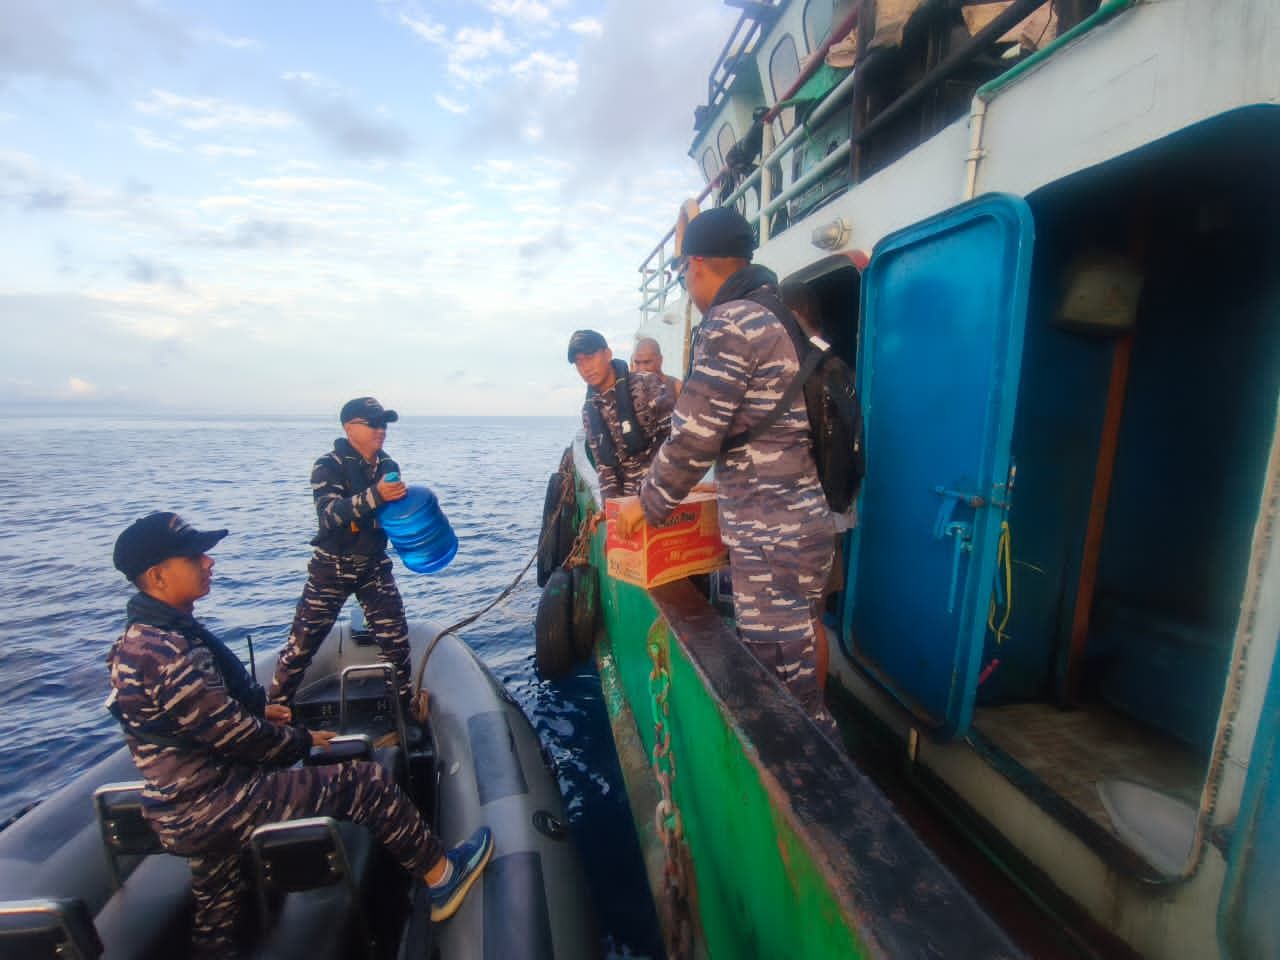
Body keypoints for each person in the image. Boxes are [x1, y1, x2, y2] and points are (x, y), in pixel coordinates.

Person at [107, 511, 493, 959]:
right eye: (194, 557)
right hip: (215, 805)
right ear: (157, 575)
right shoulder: (166, 652)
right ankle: (443, 877)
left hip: (182, 809)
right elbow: (239, 739)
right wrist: (304, 740)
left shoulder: (139, 641)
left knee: (218, 908)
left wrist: (260, 712)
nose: (208, 563)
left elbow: (193, 724)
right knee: (363, 783)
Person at [616, 208, 837, 736]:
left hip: (771, 538)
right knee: (804, 644)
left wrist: (643, 507)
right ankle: (820, 748)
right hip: (803, 522)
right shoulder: (776, 312)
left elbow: (692, 437)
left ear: (695, 265)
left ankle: (808, 781)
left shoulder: (731, 321)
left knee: (781, 684)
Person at [270, 397, 413, 713]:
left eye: (384, 424)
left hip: (374, 565)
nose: (381, 430)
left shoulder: (388, 466)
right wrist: (376, 495)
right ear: (350, 428)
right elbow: (329, 514)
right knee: (302, 646)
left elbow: (392, 516)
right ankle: (276, 712)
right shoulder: (328, 465)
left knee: (397, 643)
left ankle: (404, 713)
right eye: (372, 423)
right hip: (332, 569)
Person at [781, 279, 854, 699]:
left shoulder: (799, 367)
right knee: (815, 619)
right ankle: (814, 704)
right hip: (834, 513)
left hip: (801, 518)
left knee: (797, 622)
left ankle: (802, 708)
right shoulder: (837, 367)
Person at [568, 329, 674, 500]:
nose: (586, 368)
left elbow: (677, 440)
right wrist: (610, 509)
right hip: (626, 504)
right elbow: (604, 467)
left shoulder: (647, 385)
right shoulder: (589, 412)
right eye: (579, 363)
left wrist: (653, 493)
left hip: (661, 495)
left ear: (608, 354)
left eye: (590, 358)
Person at [631, 336, 683, 402]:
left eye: (647, 362)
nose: (642, 369)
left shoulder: (676, 387)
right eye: (637, 362)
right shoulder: (630, 387)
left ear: (660, 360)